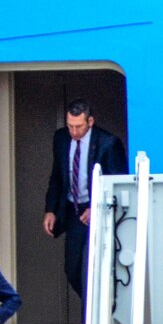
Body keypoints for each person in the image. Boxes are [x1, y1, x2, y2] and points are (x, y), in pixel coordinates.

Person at [42, 100, 128, 305]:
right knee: (72, 269)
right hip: (72, 210)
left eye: (78, 126)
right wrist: (50, 210)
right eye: (70, 125)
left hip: (98, 210)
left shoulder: (108, 143)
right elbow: (57, 177)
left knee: (94, 266)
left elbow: (117, 182)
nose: (73, 131)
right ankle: (95, 306)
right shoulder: (61, 139)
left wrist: (96, 206)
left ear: (90, 121)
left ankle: (102, 307)